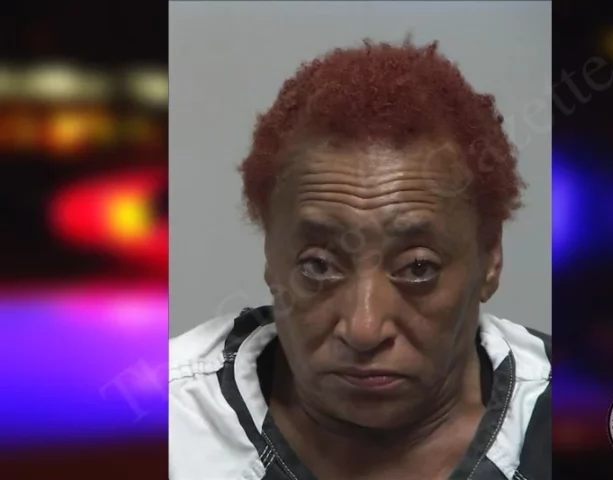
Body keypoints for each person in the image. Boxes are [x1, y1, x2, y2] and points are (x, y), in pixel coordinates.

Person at [170, 39, 551, 480]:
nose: (364, 329)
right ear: (271, 257)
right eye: (318, 265)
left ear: (491, 259)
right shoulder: (173, 425)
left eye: (418, 267)